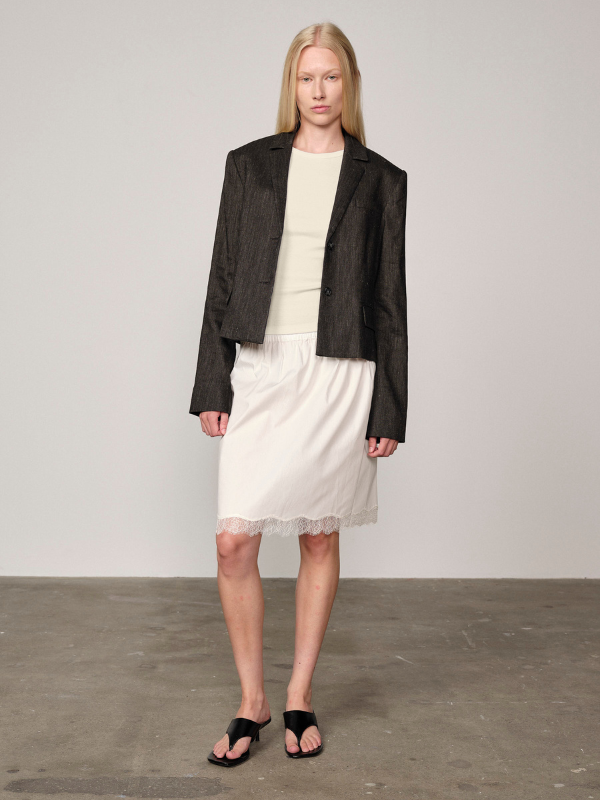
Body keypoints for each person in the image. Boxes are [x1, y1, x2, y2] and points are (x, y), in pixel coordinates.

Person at [189, 21, 408, 766]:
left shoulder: (380, 179)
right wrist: (213, 381)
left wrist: (389, 405)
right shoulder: (249, 166)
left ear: (349, 84)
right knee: (234, 540)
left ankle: (298, 695)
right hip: (261, 363)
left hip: (340, 369)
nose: (319, 91)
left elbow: (389, 300)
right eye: (307, 77)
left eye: (332, 77)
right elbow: (223, 277)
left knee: (319, 534)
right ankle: (250, 698)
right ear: (292, 84)